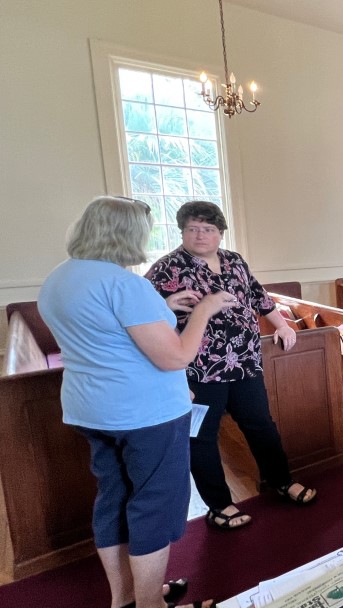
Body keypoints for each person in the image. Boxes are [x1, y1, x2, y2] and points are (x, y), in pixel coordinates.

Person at [38, 196, 231, 608]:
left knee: (114, 498)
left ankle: (125, 598)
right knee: (154, 506)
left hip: (91, 408)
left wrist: (163, 307)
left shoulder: (60, 277)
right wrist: (205, 310)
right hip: (145, 414)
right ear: (127, 234)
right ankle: (151, 604)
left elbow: (105, 330)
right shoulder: (125, 284)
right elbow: (176, 357)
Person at [146, 201, 315, 533]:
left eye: (208, 229)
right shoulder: (167, 267)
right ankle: (218, 505)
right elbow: (144, 314)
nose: (200, 235)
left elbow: (259, 297)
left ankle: (281, 481)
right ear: (182, 232)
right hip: (199, 368)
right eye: (192, 228)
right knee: (201, 436)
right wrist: (166, 305)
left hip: (245, 362)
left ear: (220, 233)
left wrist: (282, 325)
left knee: (261, 424)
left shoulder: (234, 260)